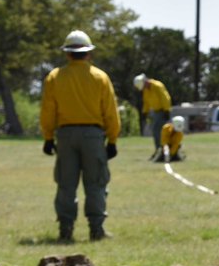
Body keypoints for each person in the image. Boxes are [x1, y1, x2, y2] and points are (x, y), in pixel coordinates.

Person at [40, 30, 120, 242]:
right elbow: (110, 112)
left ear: (67, 54)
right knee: (95, 183)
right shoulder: (100, 77)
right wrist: (112, 140)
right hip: (94, 136)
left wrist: (48, 137)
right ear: (89, 54)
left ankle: (65, 230)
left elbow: (48, 110)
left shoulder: (55, 77)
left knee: (66, 184)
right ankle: (96, 230)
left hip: (65, 136)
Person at [133, 74, 172, 158]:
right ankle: (159, 150)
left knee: (159, 131)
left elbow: (165, 97)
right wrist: (145, 112)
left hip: (162, 111)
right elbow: (146, 102)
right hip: (155, 112)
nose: (143, 88)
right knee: (156, 131)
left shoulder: (157, 85)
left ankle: (163, 150)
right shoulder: (146, 90)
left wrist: (167, 110)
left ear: (145, 82)